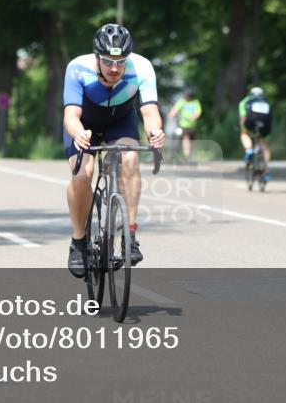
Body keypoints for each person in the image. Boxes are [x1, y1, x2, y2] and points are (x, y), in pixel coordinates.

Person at [63, 24, 165, 278]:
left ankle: (130, 235)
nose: (115, 68)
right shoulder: (78, 68)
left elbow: (150, 112)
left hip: (120, 121)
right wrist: (78, 132)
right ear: (97, 57)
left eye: (121, 62)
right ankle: (78, 241)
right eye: (108, 61)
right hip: (84, 124)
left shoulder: (142, 68)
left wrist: (155, 132)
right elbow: (71, 115)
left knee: (130, 160)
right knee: (83, 174)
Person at [239, 86, 272, 182]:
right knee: (264, 145)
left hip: (250, 123)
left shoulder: (245, 101)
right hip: (264, 125)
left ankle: (249, 149)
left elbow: (243, 117)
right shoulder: (266, 101)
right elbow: (270, 117)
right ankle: (265, 170)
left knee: (244, 134)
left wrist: (242, 127)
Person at [168, 89, 202, 162]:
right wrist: (172, 115)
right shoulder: (182, 101)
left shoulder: (195, 102)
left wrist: (194, 117)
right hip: (183, 125)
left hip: (192, 126)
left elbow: (198, 112)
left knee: (192, 141)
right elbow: (174, 110)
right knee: (185, 139)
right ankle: (186, 155)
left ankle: (190, 155)